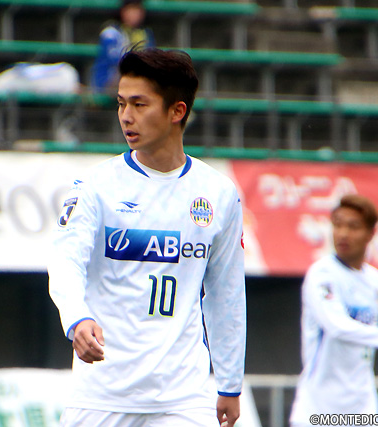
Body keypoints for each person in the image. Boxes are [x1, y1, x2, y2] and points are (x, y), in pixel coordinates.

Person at [48, 47, 246, 427]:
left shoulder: (219, 193)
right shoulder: (94, 186)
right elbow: (65, 259)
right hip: (101, 394)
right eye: (121, 103)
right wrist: (76, 318)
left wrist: (230, 382)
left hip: (183, 398)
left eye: (139, 105)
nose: (126, 116)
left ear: (177, 111)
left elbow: (226, 293)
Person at [289, 194, 378, 427]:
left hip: (362, 409)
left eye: (353, 226)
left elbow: (364, 344)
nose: (343, 233)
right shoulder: (321, 274)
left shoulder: (375, 280)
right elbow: (337, 326)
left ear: (370, 233)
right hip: (318, 409)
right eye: (338, 225)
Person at [90, 0, 155, 92]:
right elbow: (118, 60)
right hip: (108, 81)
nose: (134, 14)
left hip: (136, 78)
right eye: (130, 9)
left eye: (137, 10)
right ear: (123, 11)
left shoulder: (146, 33)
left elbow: (150, 59)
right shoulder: (110, 32)